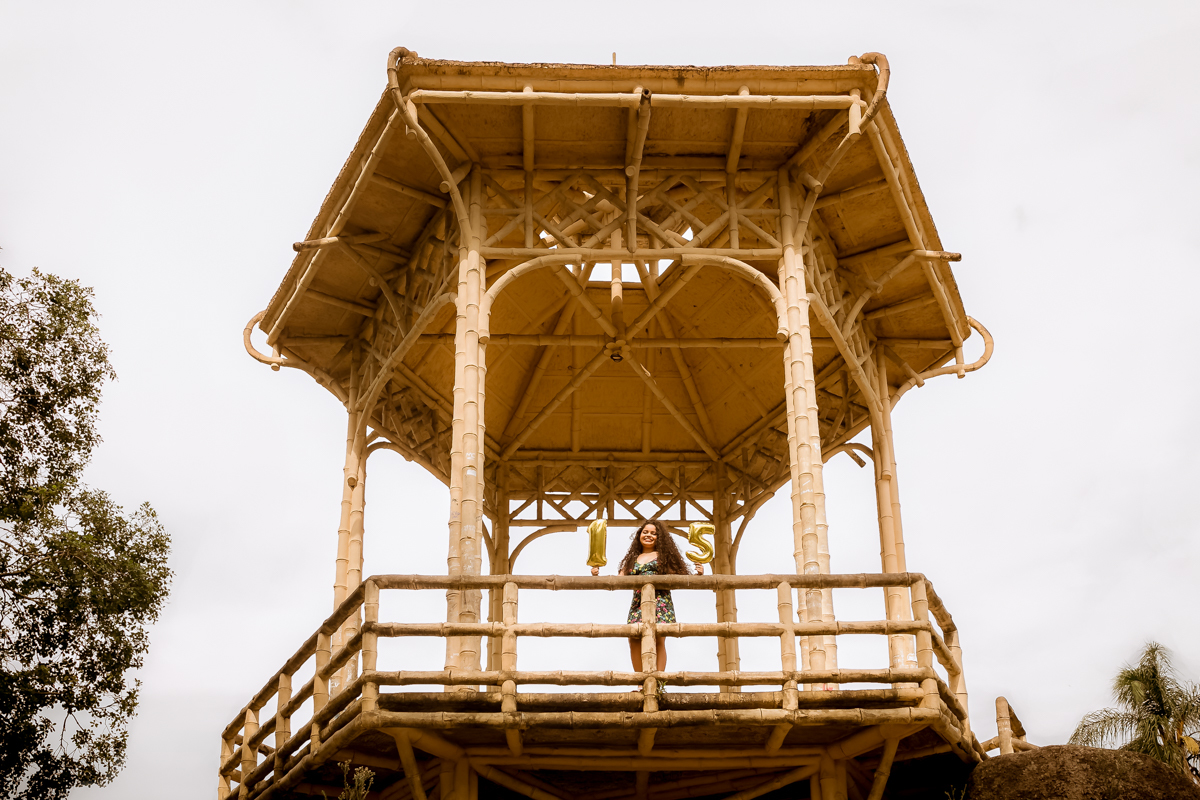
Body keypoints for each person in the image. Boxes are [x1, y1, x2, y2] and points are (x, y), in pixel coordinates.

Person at [591, 519, 702, 672]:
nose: (648, 535)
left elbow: (681, 577)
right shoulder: (632, 559)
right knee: (633, 638)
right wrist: (596, 574)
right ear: (639, 535)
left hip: (660, 602)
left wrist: (698, 574)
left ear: (659, 538)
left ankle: (659, 679)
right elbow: (618, 580)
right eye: (645, 532)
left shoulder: (663, 557)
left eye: (653, 533)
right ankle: (640, 679)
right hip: (638, 603)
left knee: (658, 638)